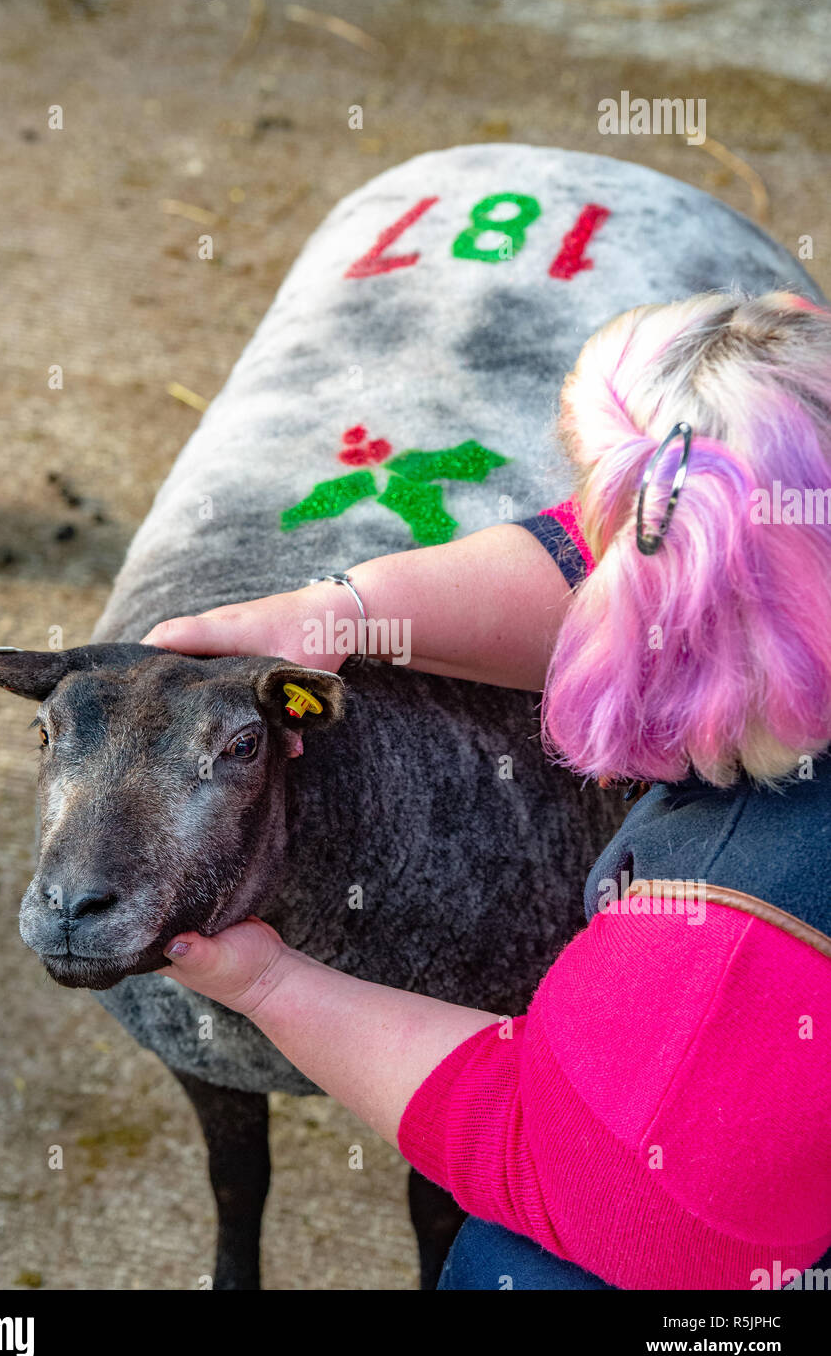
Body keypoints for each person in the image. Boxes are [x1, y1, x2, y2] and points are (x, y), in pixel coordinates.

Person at [143, 291, 831, 1291]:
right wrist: (348, 610)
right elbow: (674, 543)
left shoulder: (731, 951)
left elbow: (596, 1177)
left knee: (521, 1268)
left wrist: (268, 985)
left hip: (716, 1232)